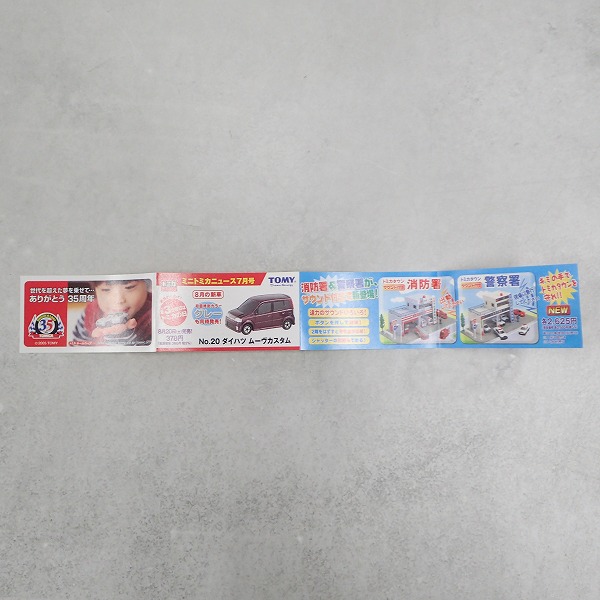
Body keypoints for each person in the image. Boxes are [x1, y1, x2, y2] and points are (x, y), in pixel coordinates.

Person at [71, 279, 152, 345]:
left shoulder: (155, 314)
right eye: (106, 290)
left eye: (129, 287)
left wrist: (125, 337)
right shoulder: (91, 312)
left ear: (147, 285)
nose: (118, 300)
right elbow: (78, 346)